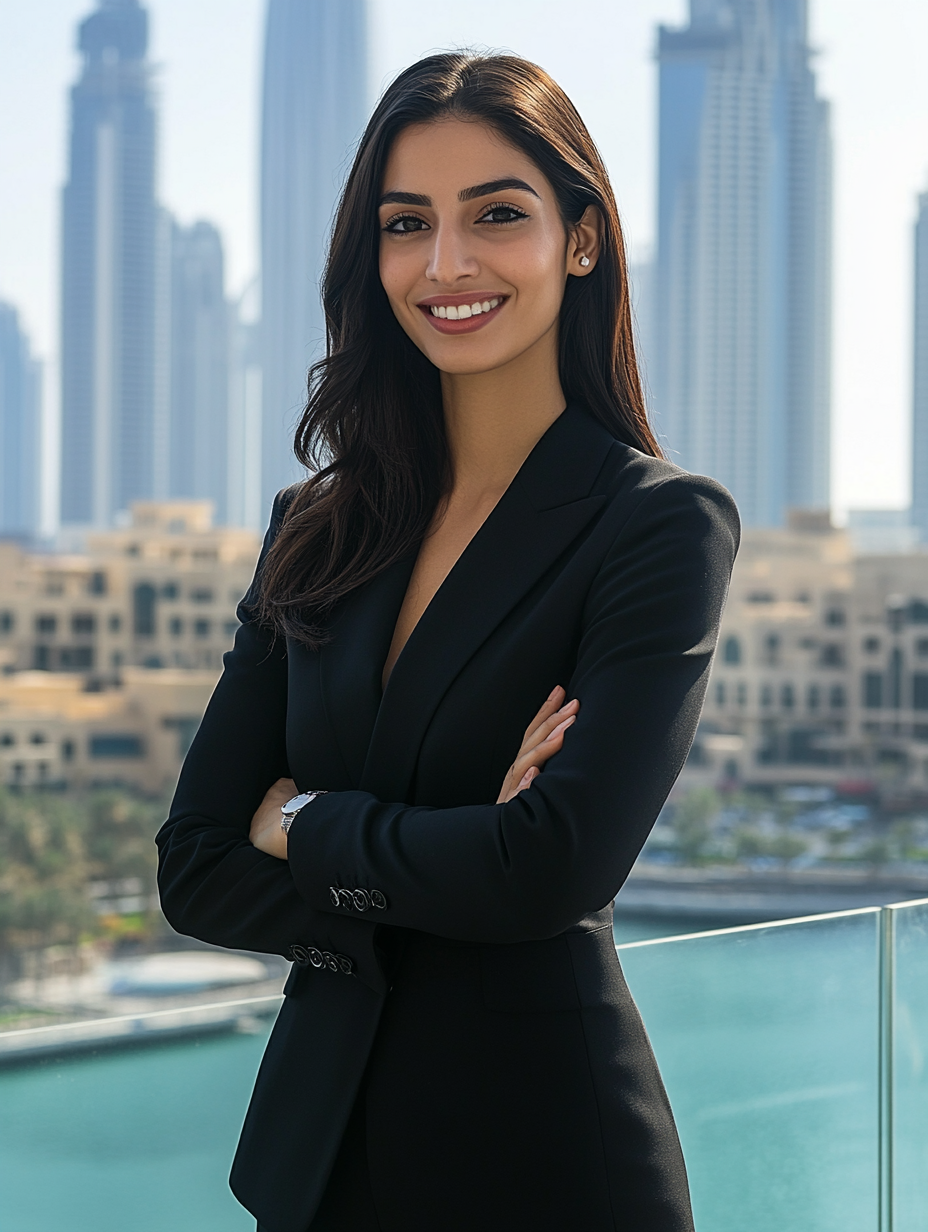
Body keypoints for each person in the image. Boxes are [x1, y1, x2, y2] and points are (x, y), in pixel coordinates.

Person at [156, 51, 739, 1232]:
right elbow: (196, 865)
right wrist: (460, 854)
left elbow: (553, 867)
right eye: (406, 222)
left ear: (580, 239)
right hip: (315, 1170)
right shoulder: (315, 528)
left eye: (497, 216)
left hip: (547, 1165)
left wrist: (306, 821)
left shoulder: (658, 524)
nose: (446, 264)